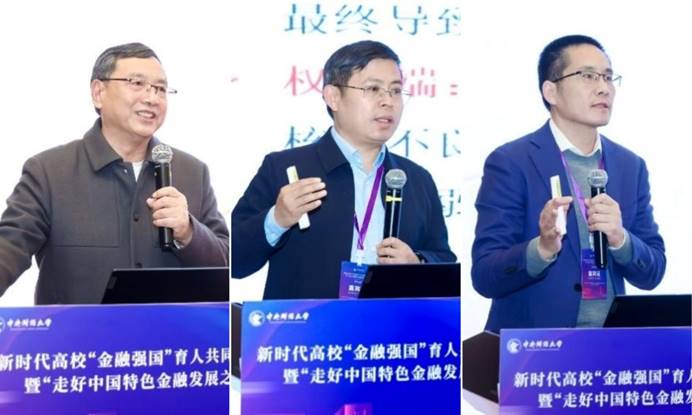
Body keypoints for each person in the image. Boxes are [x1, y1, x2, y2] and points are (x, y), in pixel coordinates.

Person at [0, 42, 229, 304]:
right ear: (98, 92)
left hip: (169, 331)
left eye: (160, 89)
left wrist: (188, 232)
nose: (152, 98)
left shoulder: (193, 172)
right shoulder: (49, 172)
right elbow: (10, 247)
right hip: (77, 331)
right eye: (137, 83)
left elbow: (226, 266)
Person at [471, 35, 665, 333]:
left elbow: (653, 272)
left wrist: (620, 238)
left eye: (608, 77)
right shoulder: (512, 161)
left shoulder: (630, 166)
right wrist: (542, 248)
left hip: (610, 347)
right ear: (551, 91)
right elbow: (485, 275)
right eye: (588, 76)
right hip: (537, 348)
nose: (603, 87)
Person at [232, 40, 455, 299]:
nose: (388, 101)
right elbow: (235, 261)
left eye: (396, 90)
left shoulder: (416, 179)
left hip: (391, 322)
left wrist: (418, 264)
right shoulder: (285, 168)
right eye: (373, 89)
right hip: (307, 324)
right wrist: (277, 219)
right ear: (333, 97)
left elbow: (444, 261)